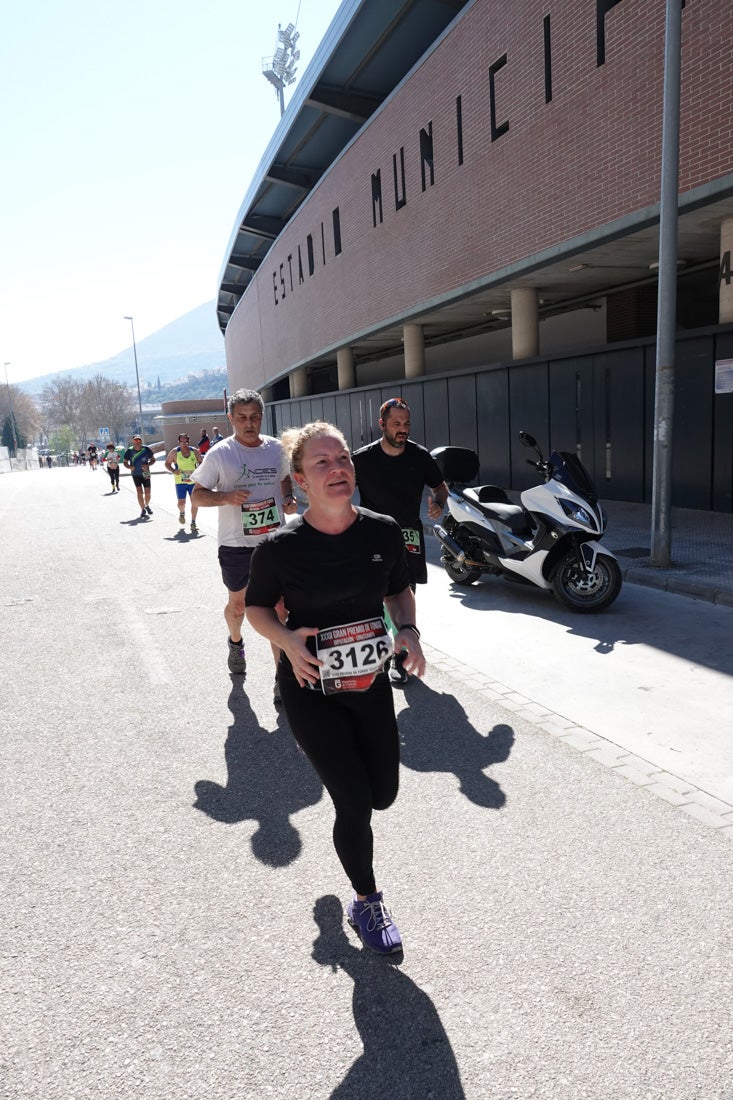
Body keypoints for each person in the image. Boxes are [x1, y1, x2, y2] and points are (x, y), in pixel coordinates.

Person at [245, 421, 425, 956]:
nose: (337, 469)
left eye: (342, 458)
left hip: (368, 681)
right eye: (321, 463)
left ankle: (343, 775)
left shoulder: (382, 531)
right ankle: (367, 902)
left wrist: (409, 632)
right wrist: (284, 639)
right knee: (353, 800)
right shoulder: (279, 549)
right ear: (299, 481)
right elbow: (256, 608)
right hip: (310, 684)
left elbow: (399, 591)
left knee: (383, 795)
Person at [191, 388, 298, 692]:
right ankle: (235, 642)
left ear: (262, 417)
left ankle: (281, 679)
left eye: (254, 417)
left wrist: (288, 498)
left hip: (275, 542)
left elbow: (284, 476)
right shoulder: (220, 453)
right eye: (241, 418)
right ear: (231, 419)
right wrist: (226, 497)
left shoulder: (276, 449)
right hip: (236, 545)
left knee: (279, 609)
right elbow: (196, 495)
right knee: (238, 606)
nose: (249, 424)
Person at [352, 397, 448, 684]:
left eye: (406, 423)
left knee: (406, 595)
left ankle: (401, 657)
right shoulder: (363, 459)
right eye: (396, 424)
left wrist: (438, 503)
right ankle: (378, 652)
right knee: (375, 597)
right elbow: (341, 489)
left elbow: (439, 487)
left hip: (408, 535)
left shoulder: (420, 456)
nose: (402, 429)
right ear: (382, 425)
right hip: (371, 535)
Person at [165, 433, 201, 532]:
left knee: (195, 502)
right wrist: (173, 471)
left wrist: (199, 471)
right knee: (181, 502)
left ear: (189, 442)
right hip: (180, 481)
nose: (184, 444)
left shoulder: (194, 451)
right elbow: (167, 463)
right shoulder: (175, 452)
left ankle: (193, 522)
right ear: (179, 442)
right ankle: (182, 513)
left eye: (186, 442)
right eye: (182, 442)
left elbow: (201, 463)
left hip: (193, 481)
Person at [123, 434, 156, 519]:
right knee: (139, 492)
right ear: (133, 441)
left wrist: (148, 464)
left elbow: (153, 459)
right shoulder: (129, 451)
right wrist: (129, 467)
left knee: (148, 493)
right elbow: (125, 462)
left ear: (141, 441)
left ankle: (146, 505)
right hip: (135, 474)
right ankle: (142, 509)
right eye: (135, 440)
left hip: (146, 473)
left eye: (139, 440)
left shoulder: (146, 449)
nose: (137, 441)